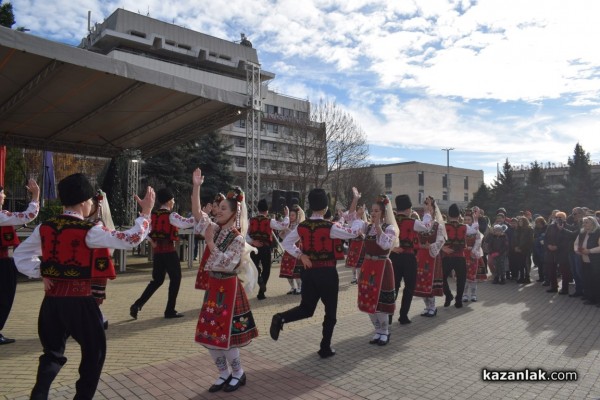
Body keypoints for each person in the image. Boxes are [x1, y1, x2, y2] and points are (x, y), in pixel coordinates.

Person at [14, 173, 154, 400]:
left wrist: (42, 271)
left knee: (52, 353)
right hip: (80, 302)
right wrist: (146, 213)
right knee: (94, 352)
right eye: (91, 201)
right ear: (83, 202)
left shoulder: (45, 227)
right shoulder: (90, 231)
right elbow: (131, 238)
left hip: (51, 302)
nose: (92, 205)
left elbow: (20, 256)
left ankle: (39, 394)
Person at [270, 187, 360, 358]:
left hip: (308, 272)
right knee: (331, 313)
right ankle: (325, 347)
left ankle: (280, 317)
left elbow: (287, 243)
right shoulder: (330, 227)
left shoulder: (302, 226)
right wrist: (358, 219)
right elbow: (354, 233)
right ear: (325, 208)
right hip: (327, 273)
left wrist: (301, 255)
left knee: (306, 308)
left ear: (310, 206)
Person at [191, 168, 258, 393]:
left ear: (234, 212)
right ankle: (223, 373)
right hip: (214, 286)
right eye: (218, 208)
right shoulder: (216, 229)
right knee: (208, 334)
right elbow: (198, 215)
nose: (218, 211)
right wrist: (196, 187)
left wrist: (210, 243)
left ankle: (238, 372)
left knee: (227, 337)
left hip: (228, 287)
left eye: (222, 208)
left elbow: (226, 264)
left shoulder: (238, 238)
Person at [130, 187, 196, 319]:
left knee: (157, 280)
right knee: (175, 279)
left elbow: (145, 231)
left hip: (158, 253)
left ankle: (137, 304)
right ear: (170, 201)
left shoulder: (152, 215)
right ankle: (169, 310)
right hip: (170, 252)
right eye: (173, 200)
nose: (173, 202)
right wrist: (201, 214)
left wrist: (152, 242)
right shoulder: (172, 215)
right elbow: (187, 223)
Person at [351, 193, 398, 345]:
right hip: (368, 266)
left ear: (383, 213)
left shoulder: (389, 228)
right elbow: (351, 219)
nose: (373, 213)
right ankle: (377, 330)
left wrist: (378, 227)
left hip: (382, 267)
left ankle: (385, 332)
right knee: (369, 301)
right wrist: (356, 200)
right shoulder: (367, 226)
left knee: (381, 303)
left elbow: (386, 245)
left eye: (377, 210)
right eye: (372, 210)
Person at [0, 179, 40, 345]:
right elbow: (28, 215)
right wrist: (36, 195)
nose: (3, 196)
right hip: (2, 263)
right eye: (1, 193)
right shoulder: (1, 216)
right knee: (3, 298)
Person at [390, 194, 434, 325]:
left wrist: (392, 249)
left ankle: (389, 315)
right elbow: (427, 226)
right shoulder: (412, 222)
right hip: (409, 257)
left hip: (394, 256)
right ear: (409, 208)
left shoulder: (390, 221)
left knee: (394, 287)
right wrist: (426, 212)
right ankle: (403, 315)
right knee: (409, 287)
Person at [247, 198, 289, 300]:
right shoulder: (270, 221)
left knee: (254, 267)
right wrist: (287, 215)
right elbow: (283, 225)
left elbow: (245, 234)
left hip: (254, 247)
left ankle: (259, 278)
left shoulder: (251, 220)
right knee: (267, 269)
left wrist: (253, 242)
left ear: (258, 209)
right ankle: (261, 293)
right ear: (267, 210)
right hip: (265, 247)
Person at [441, 204, 479, 308]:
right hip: (460, 256)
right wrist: (475, 220)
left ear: (448, 215)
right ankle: (458, 300)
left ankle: (448, 295)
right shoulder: (464, 226)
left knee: (442, 278)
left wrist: (444, 248)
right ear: (459, 215)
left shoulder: (444, 226)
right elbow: (475, 231)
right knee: (461, 279)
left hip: (447, 256)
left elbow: (439, 240)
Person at [413, 196, 446, 317]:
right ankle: (427, 307)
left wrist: (431, 246)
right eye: (425, 205)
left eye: (429, 206)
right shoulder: (420, 224)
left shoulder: (438, 226)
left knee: (429, 281)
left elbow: (441, 241)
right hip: (421, 255)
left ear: (433, 209)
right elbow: (415, 239)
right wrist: (420, 245)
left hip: (432, 256)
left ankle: (432, 307)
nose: (426, 208)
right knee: (421, 281)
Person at [278, 203, 305, 294]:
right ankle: (292, 287)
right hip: (288, 249)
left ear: (297, 216)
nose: (291, 217)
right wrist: (282, 231)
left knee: (297, 271)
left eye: (293, 215)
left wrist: (299, 209)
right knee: (287, 271)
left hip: (297, 248)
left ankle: (300, 288)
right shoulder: (288, 225)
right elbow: (282, 237)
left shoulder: (299, 225)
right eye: (290, 215)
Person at [575, 216, 600, 306]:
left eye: (586, 222)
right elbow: (576, 243)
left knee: (597, 281)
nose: (584, 224)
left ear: (593, 223)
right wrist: (577, 250)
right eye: (584, 223)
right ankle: (590, 298)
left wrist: (589, 251)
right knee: (587, 280)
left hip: (596, 261)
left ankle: (598, 300)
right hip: (584, 260)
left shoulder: (598, 232)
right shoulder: (582, 232)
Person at [463, 209, 484, 302]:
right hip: (464, 254)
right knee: (464, 276)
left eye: (469, 220)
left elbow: (478, 241)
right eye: (465, 220)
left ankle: (473, 294)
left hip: (473, 255)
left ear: (472, 220)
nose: (467, 221)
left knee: (473, 276)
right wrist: (465, 247)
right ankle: (464, 294)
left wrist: (473, 250)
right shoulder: (462, 230)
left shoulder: (476, 231)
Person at [345, 204, 368, 284]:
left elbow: (366, 233)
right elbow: (349, 226)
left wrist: (362, 234)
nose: (362, 210)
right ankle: (354, 277)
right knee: (353, 261)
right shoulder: (352, 220)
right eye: (360, 209)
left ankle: (358, 277)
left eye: (362, 209)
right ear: (357, 211)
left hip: (361, 243)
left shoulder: (364, 222)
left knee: (360, 261)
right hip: (354, 242)